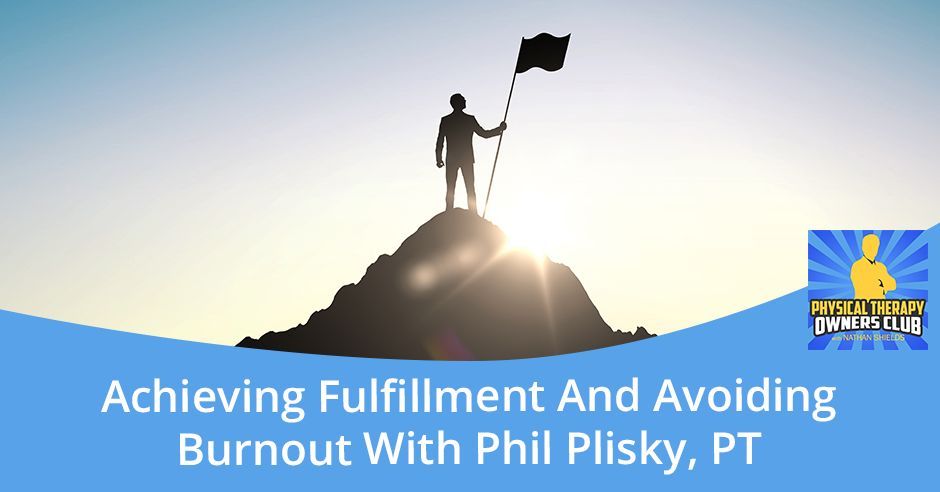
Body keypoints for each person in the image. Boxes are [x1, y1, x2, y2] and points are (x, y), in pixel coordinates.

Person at [435, 93, 506, 214]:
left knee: (453, 187)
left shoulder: (447, 120)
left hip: (453, 159)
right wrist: (499, 129)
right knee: (468, 187)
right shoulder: (468, 119)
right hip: (464, 158)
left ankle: (451, 212)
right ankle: (471, 213)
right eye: (463, 100)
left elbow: (440, 141)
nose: (465, 101)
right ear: (458, 103)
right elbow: (484, 134)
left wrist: (439, 158)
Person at [850, 234, 896, 300]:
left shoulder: (881, 267)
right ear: (863, 247)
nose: (872, 249)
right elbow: (865, 287)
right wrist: (883, 288)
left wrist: (879, 284)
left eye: (875, 246)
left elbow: (893, 284)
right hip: (863, 306)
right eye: (869, 246)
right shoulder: (857, 266)